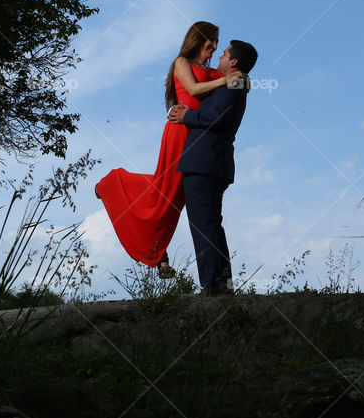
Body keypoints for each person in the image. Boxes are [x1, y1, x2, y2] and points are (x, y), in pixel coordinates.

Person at [95, 21, 241, 278]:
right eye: (212, 40)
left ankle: (158, 254)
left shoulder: (217, 73)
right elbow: (194, 90)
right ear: (198, 38)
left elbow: (233, 84)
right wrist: (225, 81)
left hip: (197, 136)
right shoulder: (182, 63)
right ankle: (114, 183)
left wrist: (238, 78)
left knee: (175, 197)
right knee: (166, 191)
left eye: (218, 42)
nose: (215, 46)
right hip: (180, 132)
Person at [168, 39, 257, 296]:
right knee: (211, 225)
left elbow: (215, 117)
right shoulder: (233, 82)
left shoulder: (234, 84)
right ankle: (221, 286)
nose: (219, 57)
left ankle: (213, 288)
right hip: (213, 163)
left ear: (234, 62)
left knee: (203, 226)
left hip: (204, 163)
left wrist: (188, 116)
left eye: (225, 54)